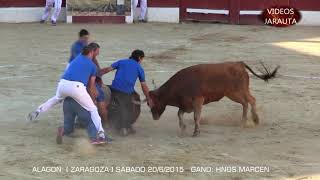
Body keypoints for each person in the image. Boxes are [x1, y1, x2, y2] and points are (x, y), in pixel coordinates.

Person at [28, 43, 106, 140]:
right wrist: (93, 98)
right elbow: (91, 87)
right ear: (92, 52)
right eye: (96, 53)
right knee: (93, 109)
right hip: (77, 87)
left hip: (63, 84)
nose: (97, 55)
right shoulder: (93, 66)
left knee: (56, 99)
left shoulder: (78, 57)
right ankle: (101, 134)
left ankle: (38, 111)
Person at [100, 49, 153, 136]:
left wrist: (96, 75)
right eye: (142, 59)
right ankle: (125, 128)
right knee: (129, 110)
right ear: (139, 58)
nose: (141, 61)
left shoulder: (121, 62)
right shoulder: (139, 68)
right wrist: (148, 98)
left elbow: (107, 69)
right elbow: (143, 86)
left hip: (113, 89)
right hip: (125, 92)